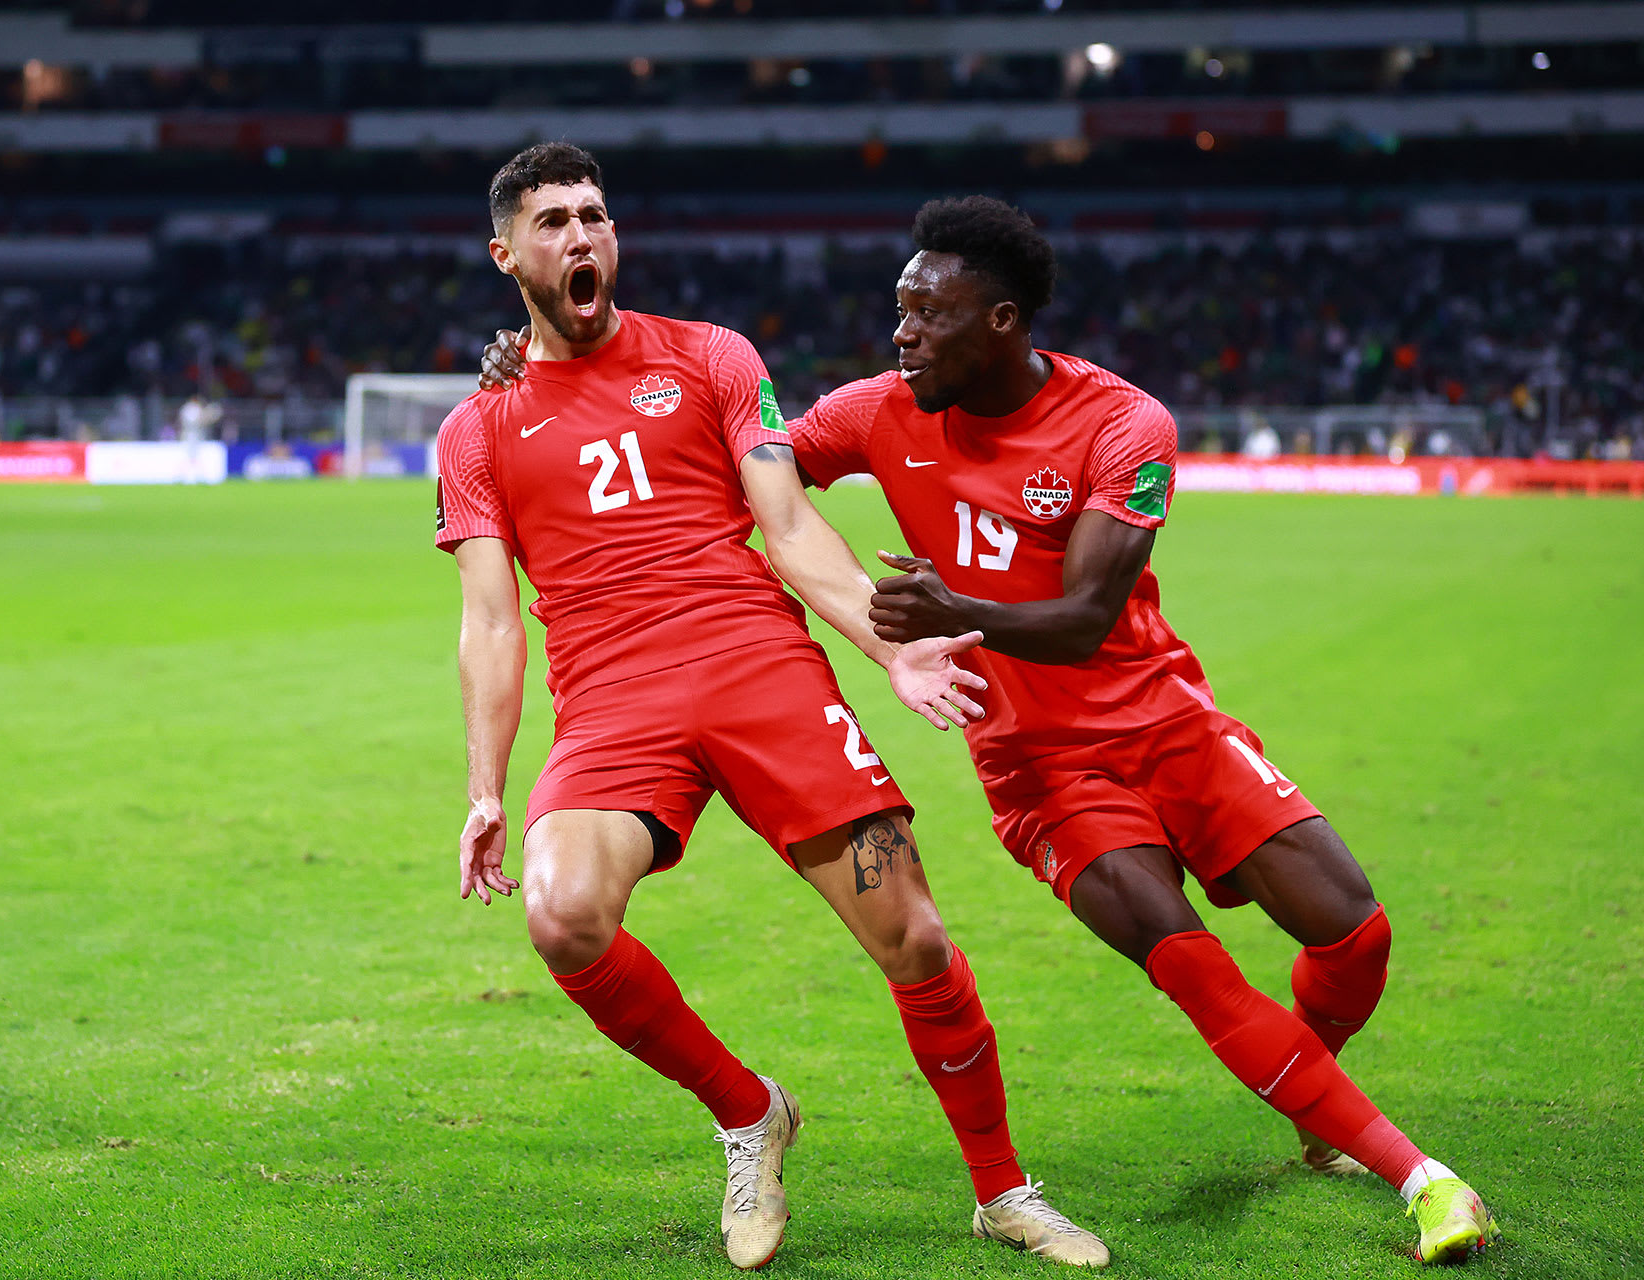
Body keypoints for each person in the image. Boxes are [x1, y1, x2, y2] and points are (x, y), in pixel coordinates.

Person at [479, 196, 1499, 1266]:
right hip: (1042, 770)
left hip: (1168, 719)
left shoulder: (1124, 423)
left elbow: (1086, 618)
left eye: (927, 315)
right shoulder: (877, 411)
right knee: (1198, 970)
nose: (901, 334)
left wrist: (948, 613)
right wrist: (553, 374)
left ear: (1001, 321)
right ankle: (1418, 1173)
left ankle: (1309, 1091)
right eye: (900, 310)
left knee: (1356, 931)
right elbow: (744, 480)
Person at [441, 145, 1109, 1271]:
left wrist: (888, 650)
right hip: (610, 698)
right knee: (560, 914)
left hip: (757, 664)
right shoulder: (477, 429)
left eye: (595, 215)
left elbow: (792, 529)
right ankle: (750, 1110)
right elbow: (493, 622)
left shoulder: (712, 358)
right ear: (507, 253)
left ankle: (1003, 1190)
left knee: (915, 935)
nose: (581, 237)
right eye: (552, 222)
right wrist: (481, 788)